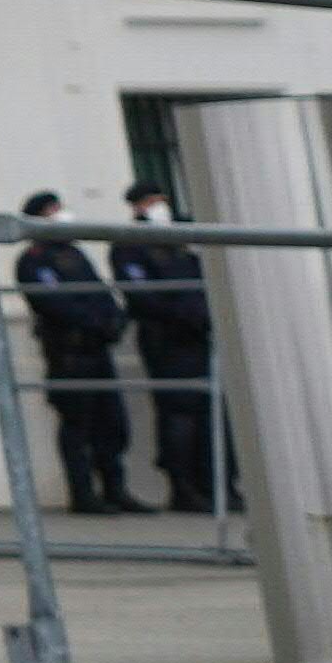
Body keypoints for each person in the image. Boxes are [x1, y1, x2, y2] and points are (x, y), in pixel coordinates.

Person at [12, 196, 137, 513]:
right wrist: (96, 323)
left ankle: (115, 488)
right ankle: (83, 495)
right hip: (69, 353)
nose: (61, 215)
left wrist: (115, 320)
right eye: (52, 212)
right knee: (77, 424)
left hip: (96, 350)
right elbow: (56, 305)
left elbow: (100, 292)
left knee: (111, 422)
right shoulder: (34, 260)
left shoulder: (75, 254)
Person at [117, 185, 224, 515]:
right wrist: (186, 315)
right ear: (138, 206)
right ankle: (184, 487)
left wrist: (203, 316)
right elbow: (143, 295)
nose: (161, 206)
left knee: (209, 412)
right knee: (179, 414)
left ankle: (215, 486)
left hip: (195, 338)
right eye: (153, 201)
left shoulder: (178, 242)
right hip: (165, 339)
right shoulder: (129, 246)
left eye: (164, 200)